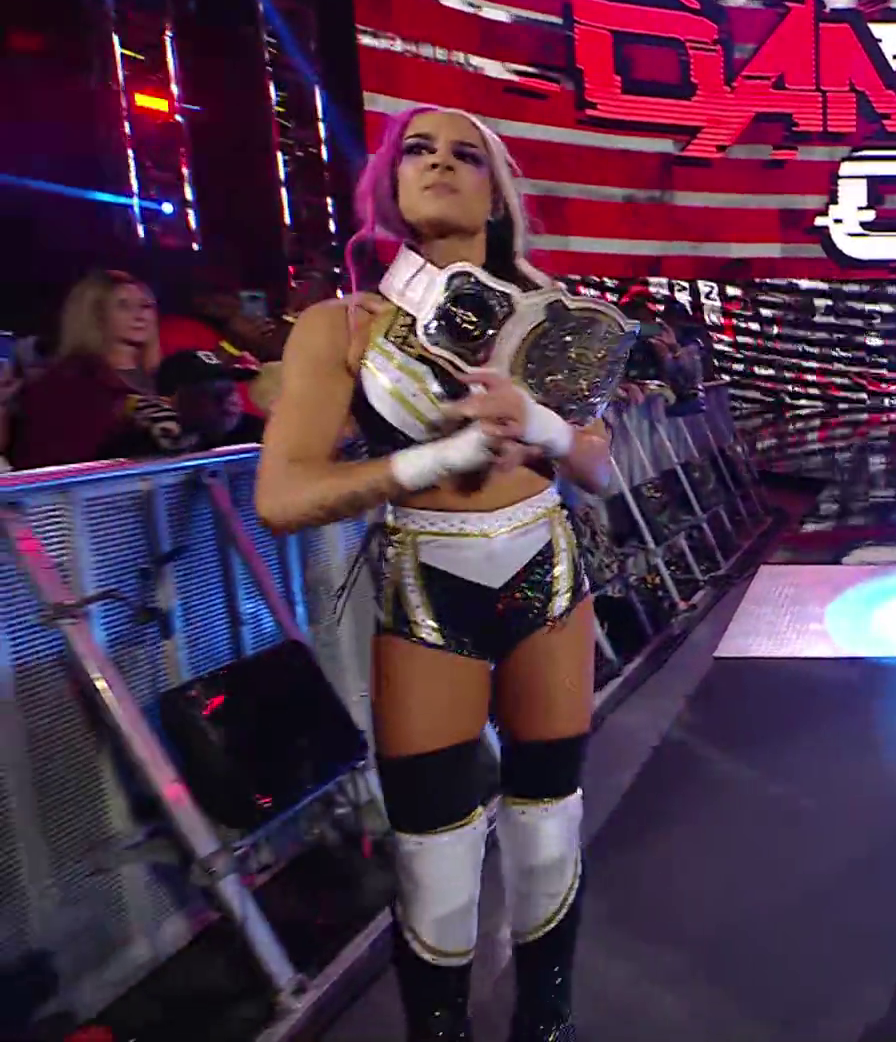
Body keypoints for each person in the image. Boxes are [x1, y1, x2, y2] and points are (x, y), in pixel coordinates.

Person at [255, 105, 636, 1042]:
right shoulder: (340, 327)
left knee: (549, 828)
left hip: (545, 568)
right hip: (429, 578)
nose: (440, 164)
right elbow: (283, 494)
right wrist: (431, 461)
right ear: (388, 178)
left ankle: (545, 1024)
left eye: (467, 155)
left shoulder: (552, 316)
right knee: (435, 854)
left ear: (497, 194)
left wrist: (541, 426)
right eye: (418, 149)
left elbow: (598, 465)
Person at [9, 271, 180, 470]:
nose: (139, 315)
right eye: (123, 306)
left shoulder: (169, 377)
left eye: (145, 306)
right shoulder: (66, 384)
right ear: (96, 315)